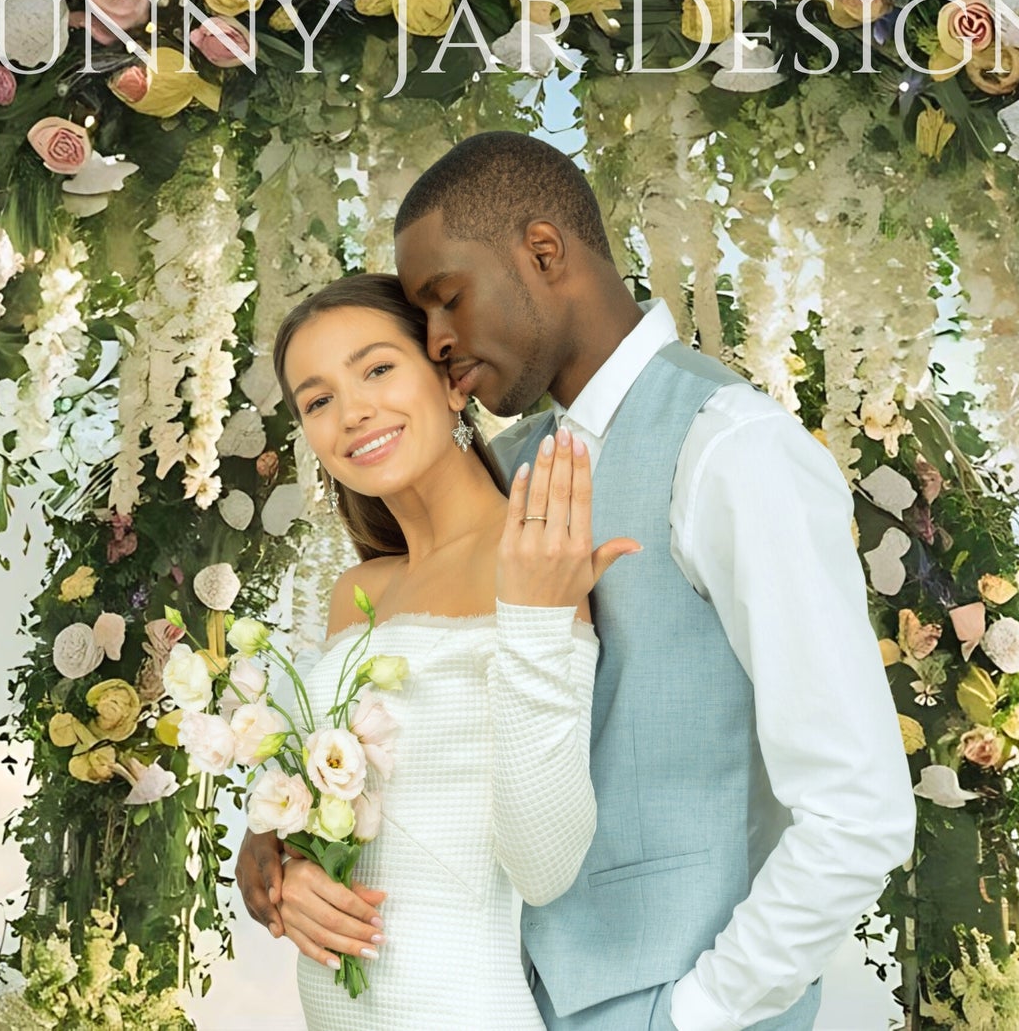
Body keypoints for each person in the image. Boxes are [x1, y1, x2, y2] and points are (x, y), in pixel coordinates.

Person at [241, 131, 917, 1031]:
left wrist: (696, 1013)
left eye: (446, 302)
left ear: (542, 252)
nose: (438, 344)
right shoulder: (505, 472)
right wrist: (276, 844)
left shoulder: (730, 450)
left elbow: (855, 809)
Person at [267, 272, 640, 1029]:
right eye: (317, 399)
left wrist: (536, 624)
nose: (353, 410)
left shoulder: (529, 556)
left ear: (448, 381)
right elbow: (342, 813)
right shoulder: (355, 590)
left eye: (376, 368)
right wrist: (288, 869)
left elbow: (543, 867)